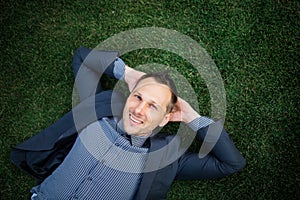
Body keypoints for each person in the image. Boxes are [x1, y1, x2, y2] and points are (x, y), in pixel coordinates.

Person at [11, 47, 246, 200]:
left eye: (153, 106)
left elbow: (230, 163)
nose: (139, 109)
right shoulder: (97, 111)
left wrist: (191, 117)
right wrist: (128, 74)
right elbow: (82, 58)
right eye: (138, 97)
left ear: (166, 119)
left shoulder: (166, 159)